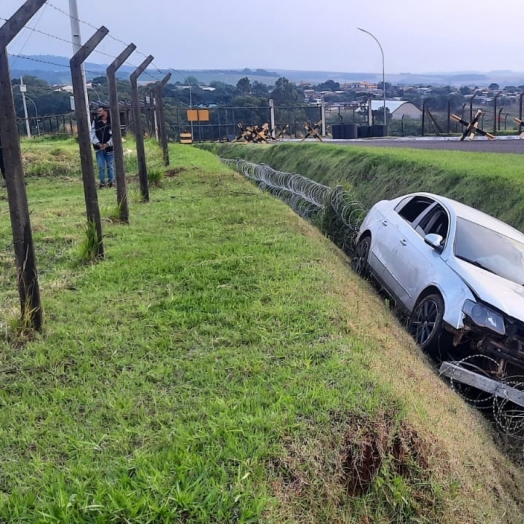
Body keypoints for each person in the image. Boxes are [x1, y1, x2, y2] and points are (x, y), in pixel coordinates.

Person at [90, 106, 114, 188]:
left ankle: (111, 182)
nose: (98, 113)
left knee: (110, 166)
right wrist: (98, 143)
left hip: (110, 148)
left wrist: (108, 144)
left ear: (105, 111)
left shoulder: (112, 121)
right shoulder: (96, 122)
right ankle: (102, 183)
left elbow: (115, 135)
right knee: (101, 166)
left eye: (100, 111)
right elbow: (92, 134)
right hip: (99, 148)